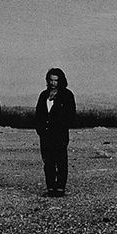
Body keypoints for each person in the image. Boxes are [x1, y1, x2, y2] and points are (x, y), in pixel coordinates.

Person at [35, 68, 76, 197]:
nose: (53, 83)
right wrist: (40, 130)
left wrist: (62, 127)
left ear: (61, 81)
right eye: (51, 80)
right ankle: (51, 186)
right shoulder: (43, 95)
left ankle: (60, 187)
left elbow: (71, 115)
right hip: (46, 135)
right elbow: (38, 115)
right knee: (48, 162)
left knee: (61, 161)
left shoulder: (67, 95)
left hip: (60, 135)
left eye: (56, 80)